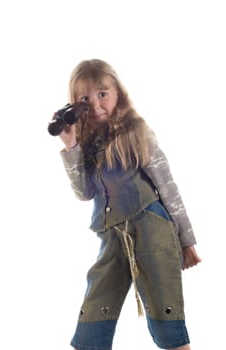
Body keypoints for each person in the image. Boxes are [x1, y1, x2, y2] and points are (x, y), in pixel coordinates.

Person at [56, 59, 201, 350]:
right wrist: (70, 145)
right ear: (76, 106)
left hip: (151, 229)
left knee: (165, 310)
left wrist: (186, 240)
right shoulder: (85, 144)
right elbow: (84, 193)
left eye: (102, 94)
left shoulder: (137, 131)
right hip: (112, 237)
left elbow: (167, 186)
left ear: (118, 93)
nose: (95, 105)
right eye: (85, 99)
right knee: (97, 305)